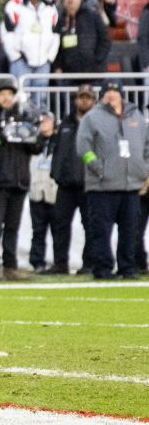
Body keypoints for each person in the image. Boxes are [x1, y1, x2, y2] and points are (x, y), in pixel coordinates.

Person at [0, 78, 49, 281]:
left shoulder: (24, 118)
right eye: (2, 94)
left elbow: (36, 148)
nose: (6, 98)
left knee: (12, 227)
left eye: (9, 94)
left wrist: (38, 134)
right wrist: (0, 136)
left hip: (19, 180)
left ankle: (10, 266)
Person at [76, 80, 149, 280]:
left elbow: (146, 146)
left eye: (115, 91)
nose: (111, 95)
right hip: (101, 186)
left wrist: (144, 169)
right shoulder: (92, 117)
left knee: (130, 231)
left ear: (121, 95)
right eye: (107, 91)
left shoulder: (137, 117)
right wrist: (99, 169)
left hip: (131, 184)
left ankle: (128, 267)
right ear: (102, 95)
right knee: (101, 231)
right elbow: (84, 148)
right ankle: (103, 268)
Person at [49, 84, 96, 275]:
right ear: (75, 99)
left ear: (93, 101)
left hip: (89, 184)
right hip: (66, 184)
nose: (84, 101)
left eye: (88, 97)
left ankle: (89, 264)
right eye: (80, 97)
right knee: (59, 224)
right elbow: (58, 151)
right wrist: (56, 174)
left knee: (91, 226)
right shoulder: (66, 124)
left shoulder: (97, 123)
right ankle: (60, 263)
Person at [0, 0, 59, 109]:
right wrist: (16, 56)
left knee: (40, 98)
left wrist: (50, 57)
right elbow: (6, 31)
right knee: (20, 98)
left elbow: (55, 32)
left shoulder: (50, 5)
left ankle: (40, 128)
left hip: (43, 61)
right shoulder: (14, 4)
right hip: (21, 61)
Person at [53, 0, 110, 76]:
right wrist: (57, 66)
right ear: (63, 2)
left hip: (94, 73)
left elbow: (105, 39)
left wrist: (97, 59)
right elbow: (55, 46)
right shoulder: (61, 20)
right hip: (69, 75)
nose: (70, 0)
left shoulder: (92, 15)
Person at [28, 113, 57, 273]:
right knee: (38, 230)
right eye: (41, 120)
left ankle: (59, 260)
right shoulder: (33, 141)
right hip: (36, 189)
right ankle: (37, 261)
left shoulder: (59, 140)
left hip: (54, 190)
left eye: (47, 120)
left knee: (58, 230)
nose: (44, 123)